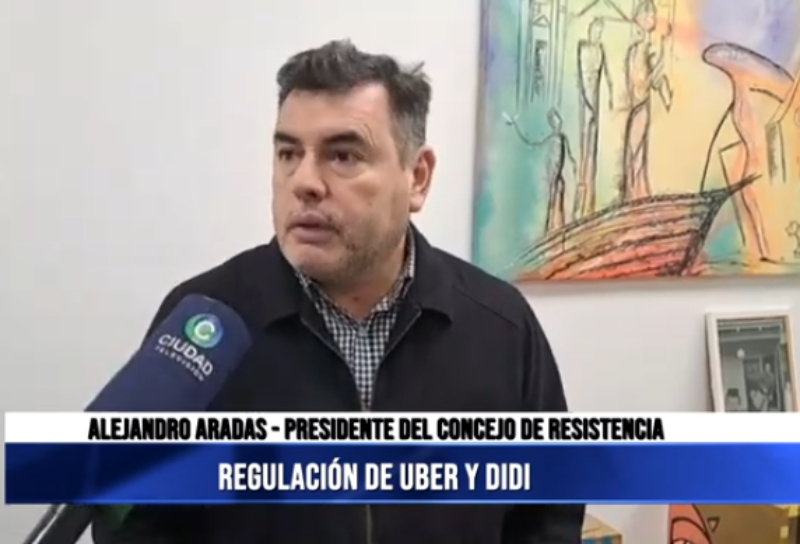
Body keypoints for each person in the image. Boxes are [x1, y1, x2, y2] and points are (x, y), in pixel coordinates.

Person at [91, 40, 583, 544]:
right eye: (288, 153)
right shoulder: (204, 325)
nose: (304, 182)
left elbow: (550, 511)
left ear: (417, 177)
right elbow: (136, 524)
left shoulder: (500, 325)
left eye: (343, 155)